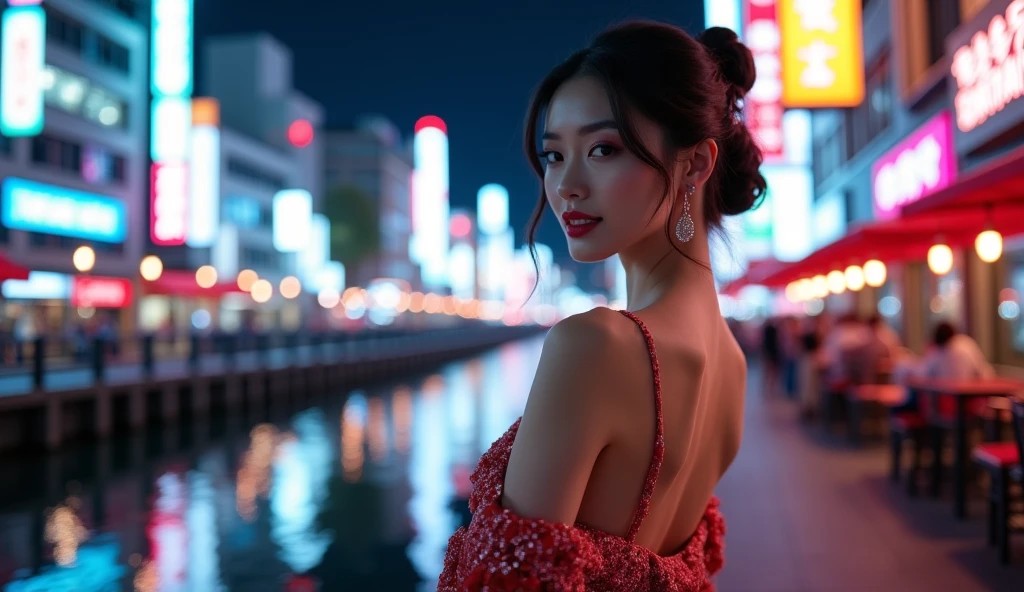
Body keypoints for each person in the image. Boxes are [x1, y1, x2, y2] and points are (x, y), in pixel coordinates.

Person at [439, 21, 764, 591]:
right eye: (554, 155)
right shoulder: (733, 367)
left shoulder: (594, 346)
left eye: (602, 149)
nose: (565, 185)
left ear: (694, 165)